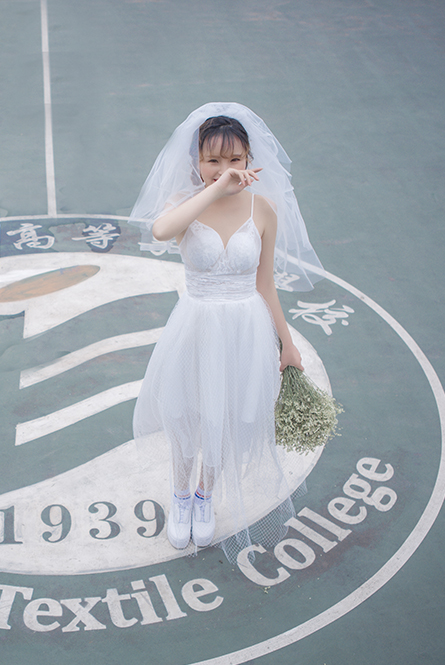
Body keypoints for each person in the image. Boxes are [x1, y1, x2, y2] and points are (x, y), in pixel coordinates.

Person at [129, 103, 324, 561]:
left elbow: (266, 284)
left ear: (249, 159)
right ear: (197, 161)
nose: (225, 168)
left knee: (225, 417)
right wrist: (215, 189)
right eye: (212, 160)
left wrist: (287, 344)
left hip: (244, 328)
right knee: (186, 415)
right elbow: (161, 231)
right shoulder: (183, 204)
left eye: (235, 159)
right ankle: (180, 495)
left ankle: (205, 495)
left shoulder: (264, 209)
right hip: (196, 325)